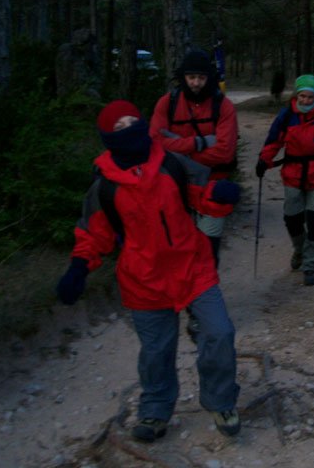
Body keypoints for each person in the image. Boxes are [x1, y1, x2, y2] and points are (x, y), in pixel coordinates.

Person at [56, 100, 242, 441]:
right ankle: (155, 411)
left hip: (192, 265)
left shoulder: (171, 162)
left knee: (219, 333)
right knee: (157, 351)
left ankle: (221, 400)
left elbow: (201, 193)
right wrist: (78, 268)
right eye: (121, 126)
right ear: (108, 138)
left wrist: (222, 194)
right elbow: (92, 235)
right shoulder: (104, 187)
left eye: (134, 121)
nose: (131, 129)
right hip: (144, 280)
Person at [150, 49, 239, 339]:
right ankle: (189, 305)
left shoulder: (223, 107)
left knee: (208, 250)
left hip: (213, 190)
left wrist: (178, 146)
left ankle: (201, 311)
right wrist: (202, 142)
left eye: (201, 77)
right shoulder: (168, 102)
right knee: (180, 249)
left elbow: (225, 150)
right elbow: (154, 141)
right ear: (182, 77)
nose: (196, 83)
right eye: (191, 77)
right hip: (175, 190)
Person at [255, 74, 314, 286]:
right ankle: (300, 249)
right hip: (293, 174)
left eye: (310, 97)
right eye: (302, 96)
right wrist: (264, 160)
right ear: (296, 95)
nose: (306, 101)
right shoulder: (287, 115)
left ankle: (310, 264)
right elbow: (274, 140)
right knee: (292, 218)